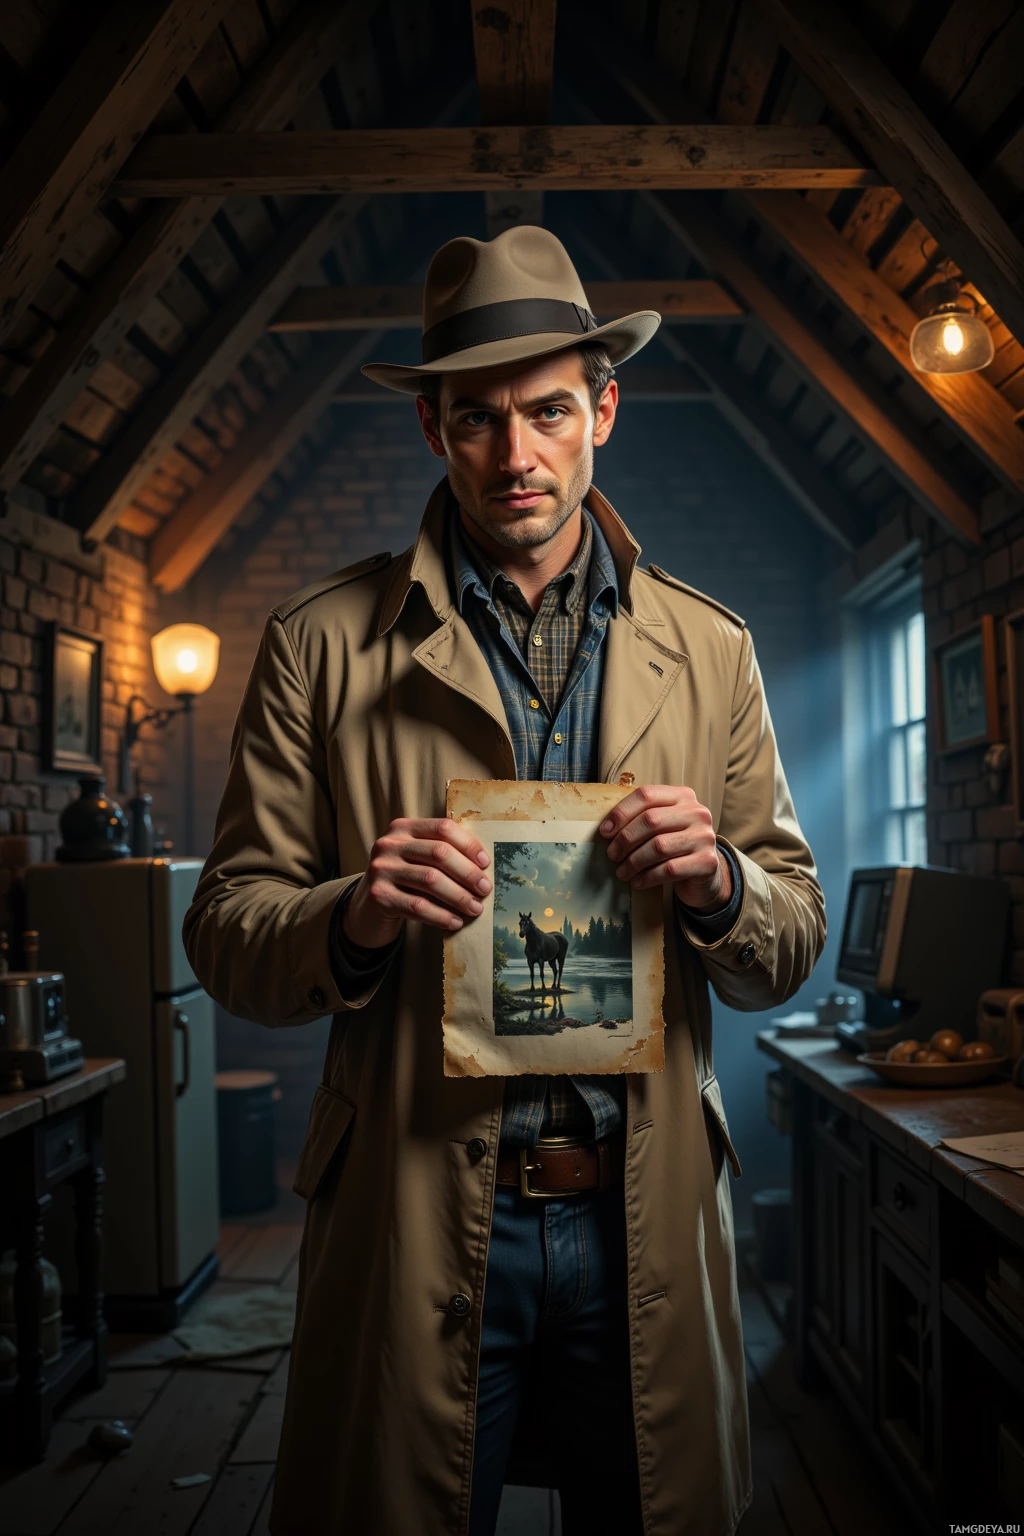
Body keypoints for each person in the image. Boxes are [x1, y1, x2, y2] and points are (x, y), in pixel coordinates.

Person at [184, 225, 826, 1536]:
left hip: (636, 1214)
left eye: (546, 411)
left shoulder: (713, 652)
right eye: (477, 418)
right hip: (412, 1208)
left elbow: (791, 933)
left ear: (604, 405)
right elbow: (226, 934)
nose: (515, 455)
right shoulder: (318, 646)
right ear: (431, 426)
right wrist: (353, 910)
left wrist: (716, 886)